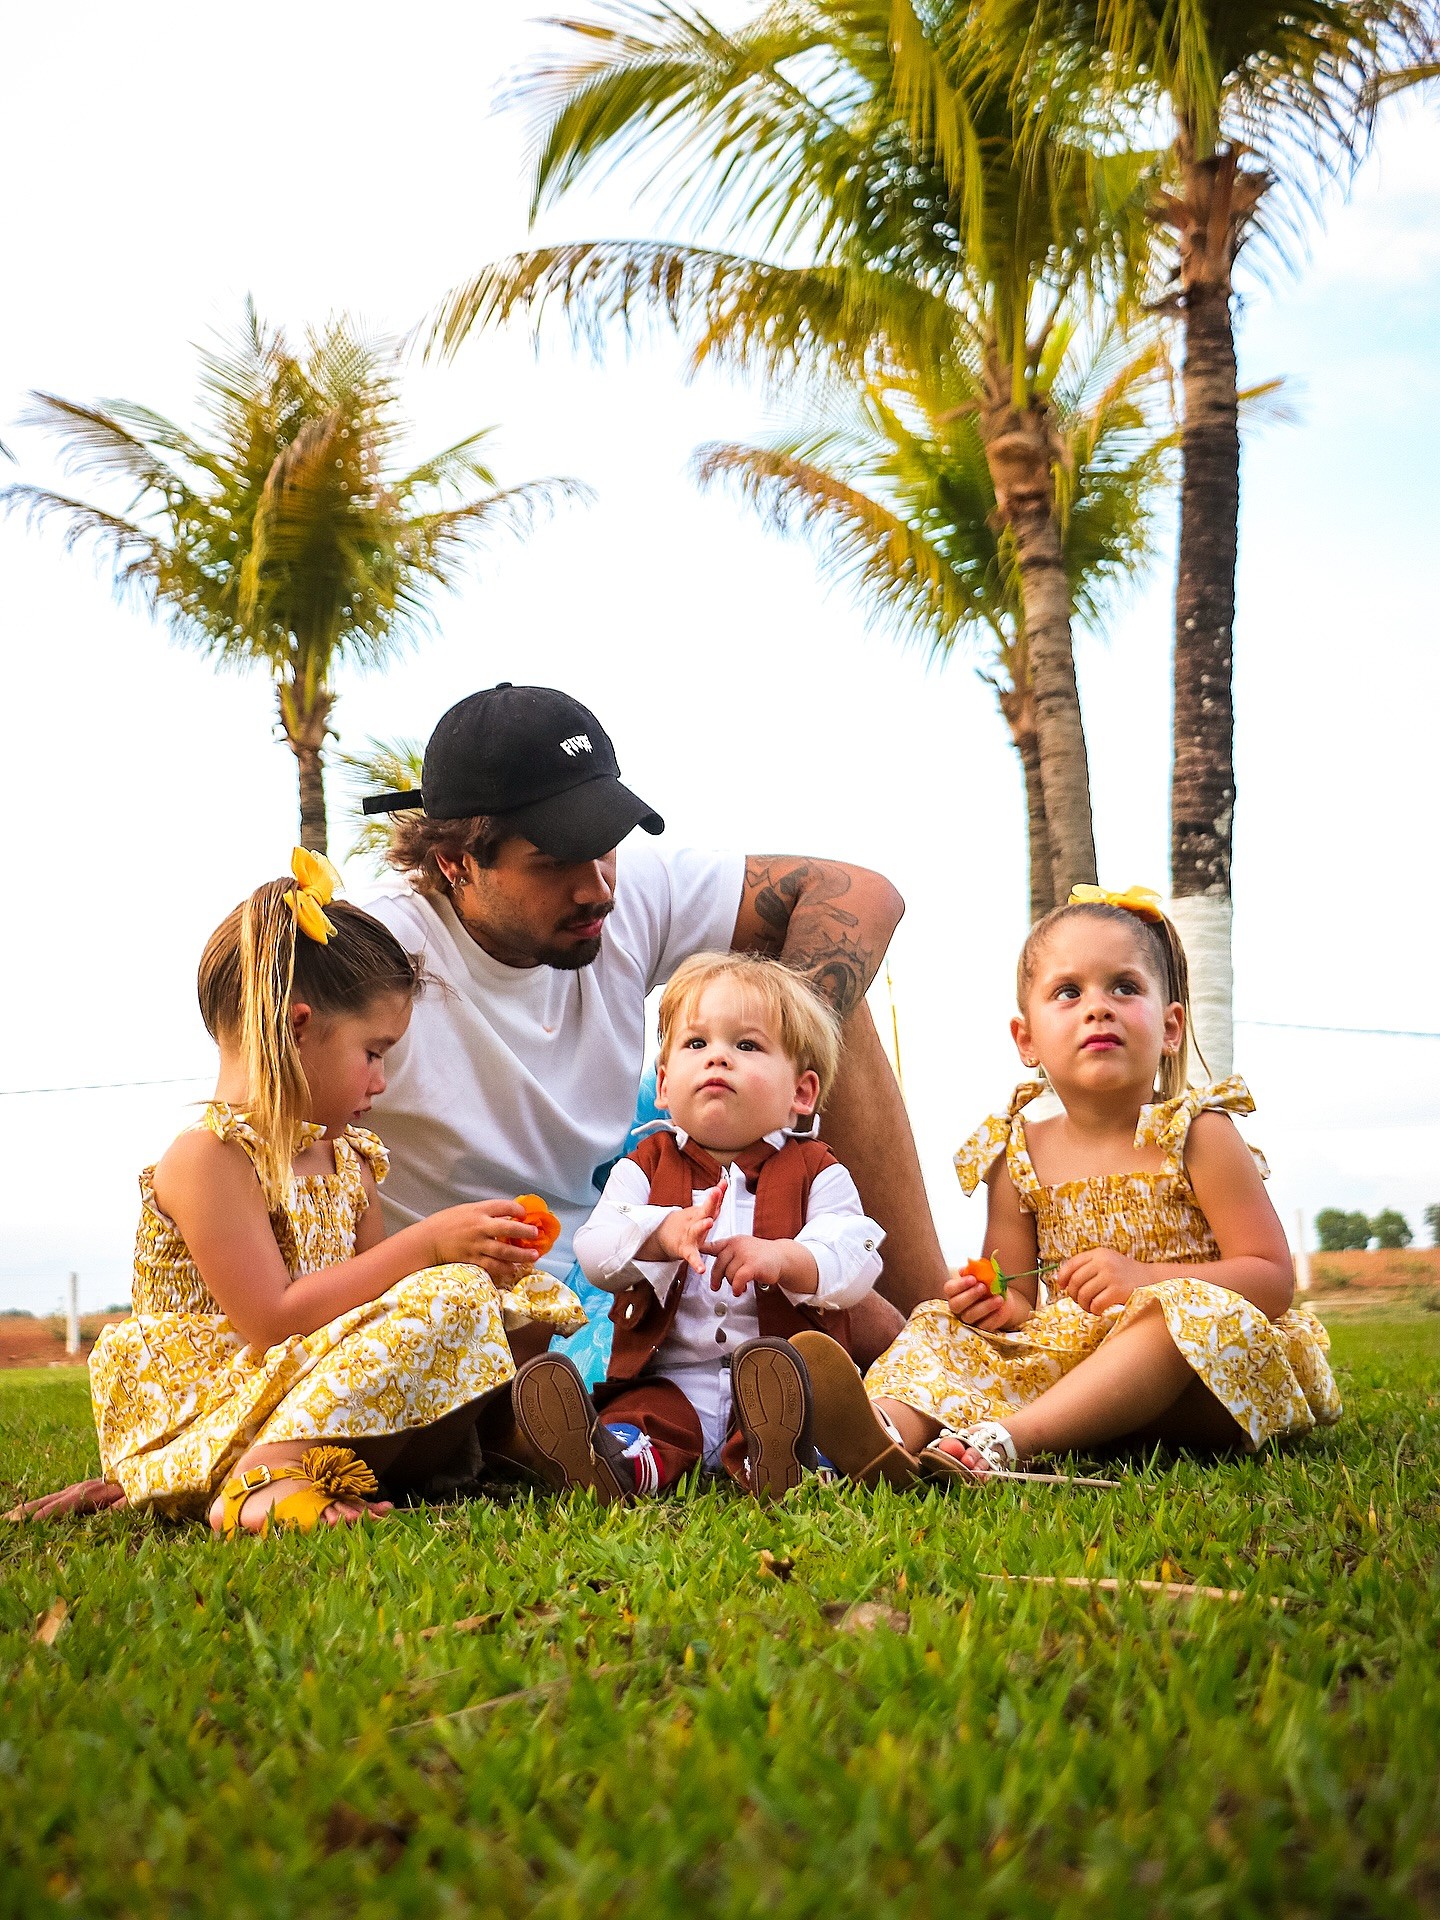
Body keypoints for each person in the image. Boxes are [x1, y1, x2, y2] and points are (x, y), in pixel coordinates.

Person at [354, 684, 930, 1371]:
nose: (597, 888)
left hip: (642, 1252)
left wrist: (779, 1085)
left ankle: (938, 1337)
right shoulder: (376, 950)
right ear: (455, 861)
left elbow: (863, 895)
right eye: (554, 862)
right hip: (478, 1300)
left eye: (605, 847)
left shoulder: (622, 894)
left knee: (807, 1004)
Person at [80, 850, 585, 1535]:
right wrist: (429, 1245)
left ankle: (506, 1439)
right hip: (221, 1409)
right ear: (298, 1029)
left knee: (500, 1298)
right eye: (374, 1052)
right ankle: (260, 1483)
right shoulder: (210, 1159)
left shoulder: (348, 1161)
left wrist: (477, 1259)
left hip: (314, 1397)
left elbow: (376, 1309)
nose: (381, 1080)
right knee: (452, 1293)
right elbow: (273, 1321)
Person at [803, 885, 1342, 1482]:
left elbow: (1271, 1279)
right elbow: (1017, 1297)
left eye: (1125, 987)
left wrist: (1146, 1281)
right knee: (937, 1324)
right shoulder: (1018, 1152)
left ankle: (1006, 1439)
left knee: (1177, 1314)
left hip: (1205, 1383)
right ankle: (875, 1436)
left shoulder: (1197, 1134)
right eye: (1068, 992)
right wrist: (994, 1304)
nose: (1098, 1008)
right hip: (1075, 1373)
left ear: (1170, 1027)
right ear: (1026, 1040)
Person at [508, 952, 885, 1500]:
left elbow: (855, 1259)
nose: (718, 1058)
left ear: (801, 1094)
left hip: (781, 1377)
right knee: (643, 1421)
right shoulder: (645, 1166)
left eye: (747, 1045)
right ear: (663, 1085)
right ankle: (612, 1463)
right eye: (696, 1043)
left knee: (795, 1407)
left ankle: (782, 1461)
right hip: (670, 1378)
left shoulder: (818, 1170)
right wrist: (659, 1234)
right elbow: (595, 1251)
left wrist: (785, 1258)